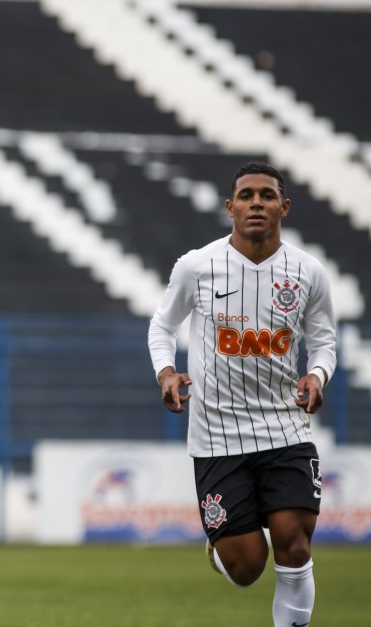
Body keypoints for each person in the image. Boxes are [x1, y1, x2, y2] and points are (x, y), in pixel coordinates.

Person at [147, 162, 336, 627]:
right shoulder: (197, 266)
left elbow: (325, 339)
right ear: (230, 207)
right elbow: (163, 325)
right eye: (247, 195)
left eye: (267, 195)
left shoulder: (308, 272)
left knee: (294, 542)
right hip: (217, 438)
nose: (257, 203)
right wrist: (167, 372)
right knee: (248, 566)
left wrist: (317, 374)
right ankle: (223, 547)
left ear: (283, 207)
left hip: (285, 427)